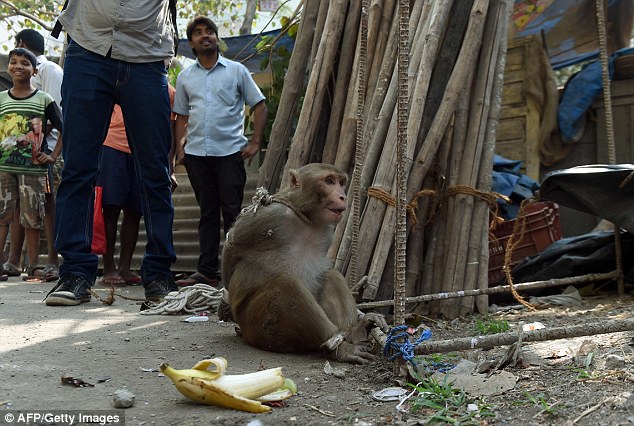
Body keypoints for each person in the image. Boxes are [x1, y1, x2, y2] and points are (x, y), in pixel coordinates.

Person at [45, 1, 178, 306]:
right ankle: (75, 272)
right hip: (89, 45)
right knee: (79, 167)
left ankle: (158, 274)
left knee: (154, 172)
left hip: (147, 51)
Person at [173, 16, 267, 287]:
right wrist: (179, 149)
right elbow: (180, 115)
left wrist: (256, 142)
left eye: (210, 31)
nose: (206, 36)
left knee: (233, 214)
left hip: (229, 153)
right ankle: (205, 271)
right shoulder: (185, 77)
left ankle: (237, 272)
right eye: (199, 33)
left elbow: (259, 105)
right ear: (191, 42)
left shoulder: (236, 71)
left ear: (217, 38)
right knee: (207, 214)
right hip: (197, 156)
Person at [97, 84, 176, 287]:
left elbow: (171, 125)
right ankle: (108, 267)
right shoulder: (118, 79)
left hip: (144, 150)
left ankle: (124, 267)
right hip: (112, 145)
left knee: (134, 211)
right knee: (111, 208)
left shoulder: (169, 91)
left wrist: (170, 162)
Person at [3, 29, 64, 281]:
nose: (18, 66)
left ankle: (49, 261)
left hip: (44, 151)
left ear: (22, 44)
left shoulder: (48, 69)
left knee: (44, 206)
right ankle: (13, 261)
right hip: (16, 157)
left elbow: (55, 110)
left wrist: (32, 140)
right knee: (19, 205)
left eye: (23, 60)